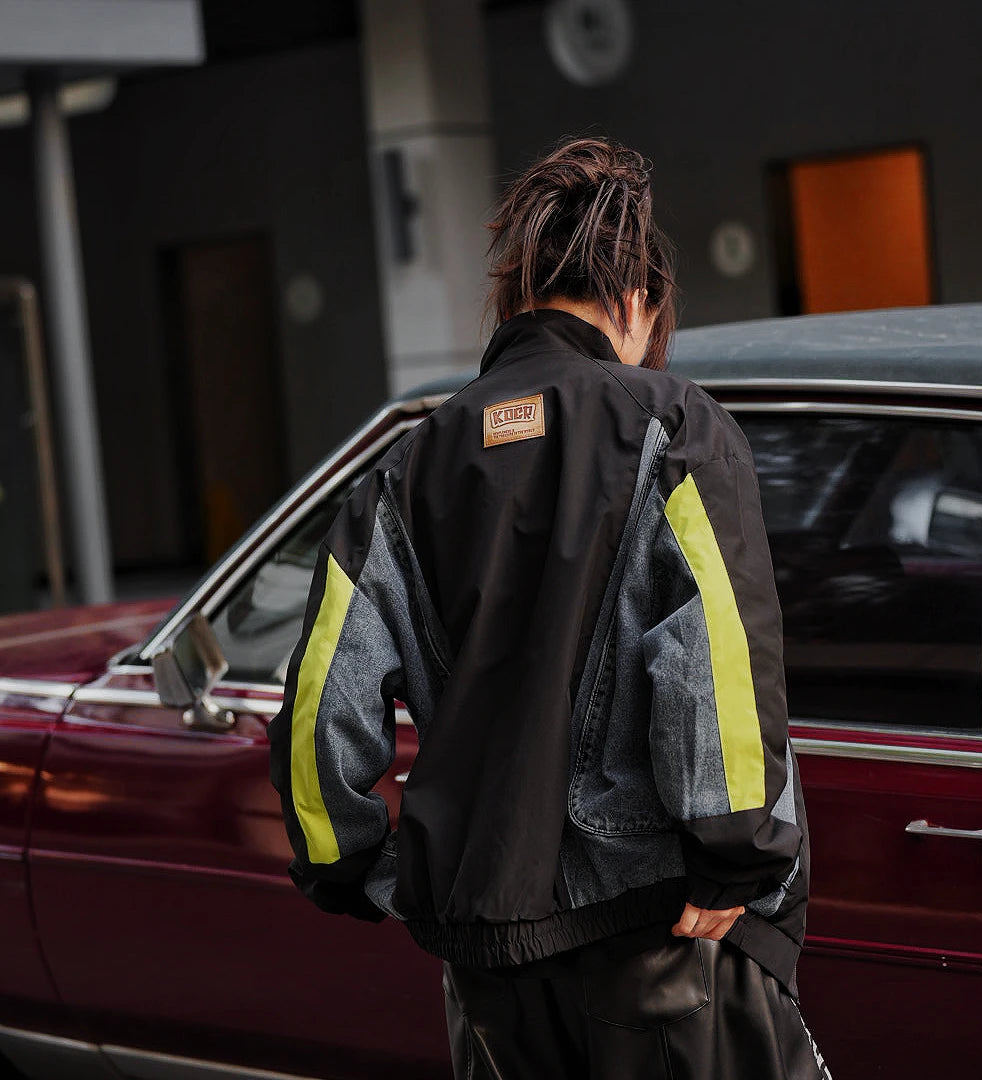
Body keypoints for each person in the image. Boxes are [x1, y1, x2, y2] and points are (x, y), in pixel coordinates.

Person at [268, 136, 831, 1079]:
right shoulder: (674, 425)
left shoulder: (408, 469)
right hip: (665, 932)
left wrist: (352, 867)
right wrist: (737, 855)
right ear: (638, 299)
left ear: (514, 302)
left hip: (487, 962)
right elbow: (718, 662)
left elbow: (323, 703)